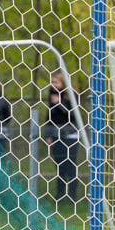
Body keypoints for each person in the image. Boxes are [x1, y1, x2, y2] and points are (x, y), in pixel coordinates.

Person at [44, 70, 80, 202]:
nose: (53, 84)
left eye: (56, 82)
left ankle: (72, 196)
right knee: (59, 166)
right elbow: (49, 116)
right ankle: (60, 195)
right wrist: (47, 135)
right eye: (52, 82)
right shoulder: (51, 95)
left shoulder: (72, 95)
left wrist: (59, 103)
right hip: (56, 135)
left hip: (70, 136)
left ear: (63, 83)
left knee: (70, 166)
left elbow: (73, 116)